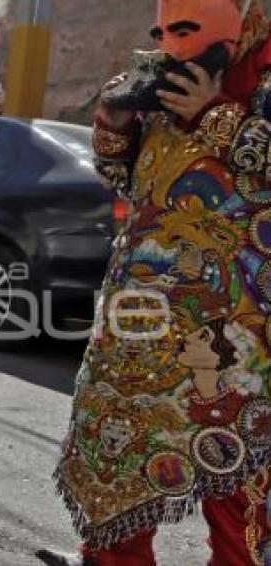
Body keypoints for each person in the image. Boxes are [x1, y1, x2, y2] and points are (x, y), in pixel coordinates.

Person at [37, 1, 271, 565]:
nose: (171, 45)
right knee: (117, 463)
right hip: (135, 325)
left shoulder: (261, 85)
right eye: (162, 32)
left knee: (236, 480)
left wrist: (217, 114)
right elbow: (127, 179)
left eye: (185, 30)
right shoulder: (159, 91)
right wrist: (113, 126)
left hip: (233, 334)